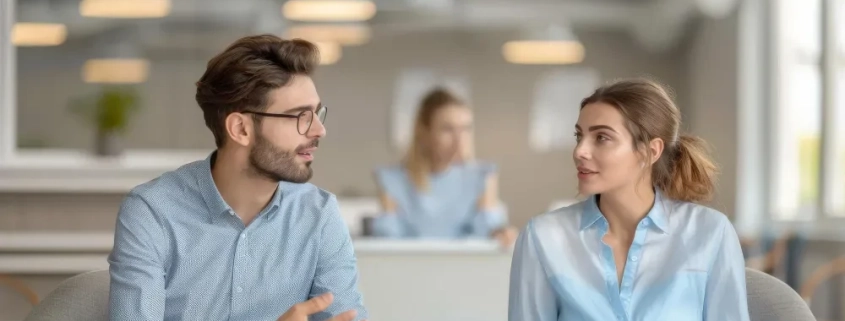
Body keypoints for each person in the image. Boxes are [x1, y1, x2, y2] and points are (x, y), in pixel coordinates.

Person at [108, 35, 368, 321]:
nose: (319, 130)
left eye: (316, 114)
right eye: (300, 116)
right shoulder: (153, 212)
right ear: (241, 129)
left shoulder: (319, 215)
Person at [508, 78, 749, 321]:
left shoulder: (710, 233)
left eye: (602, 137)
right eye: (579, 136)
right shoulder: (543, 237)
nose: (580, 151)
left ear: (650, 151)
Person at [371, 88, 517, 245]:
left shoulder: (482, 176)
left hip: (465, 260)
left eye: (465, 129)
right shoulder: (392, 180)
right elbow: (388, 239)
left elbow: (488, 230)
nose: (459, 140)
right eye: (447, 129)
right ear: (424, 132)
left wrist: (502, 233)